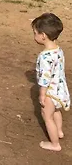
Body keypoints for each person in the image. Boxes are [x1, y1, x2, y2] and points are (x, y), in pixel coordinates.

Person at [32, 13, 70, 151]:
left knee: (47, 116)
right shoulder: (58, 50)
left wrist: (42, 94)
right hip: (60, 89)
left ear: (43, 35)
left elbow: (44, 78)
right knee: (56, 111)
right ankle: (59, 132)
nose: (34, 36)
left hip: (50, 92)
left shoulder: (44, 56)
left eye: (35, 33)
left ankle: (55, 144)